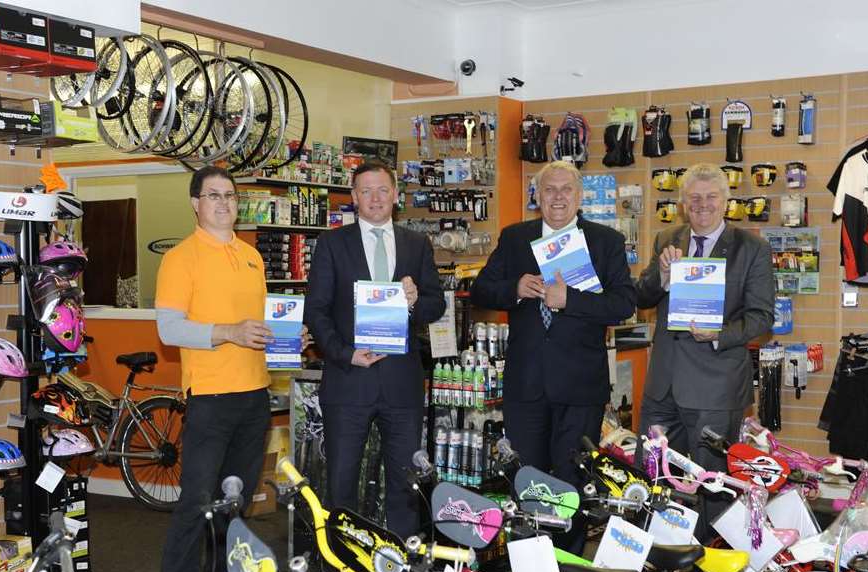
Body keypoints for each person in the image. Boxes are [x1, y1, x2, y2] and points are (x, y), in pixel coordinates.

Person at [138, 166, 306, 572]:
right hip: (209, 400)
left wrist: (289, 340)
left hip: (254, 398)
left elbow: (256, 328)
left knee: (235, 508)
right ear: (195, 203)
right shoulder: (180, 258)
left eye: (229, 195)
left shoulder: (252, 256)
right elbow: (170, 330)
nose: (223, 203)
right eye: (213, 195)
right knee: (195, 505)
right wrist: (228, 332)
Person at [470, 160, 636, 551]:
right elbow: (481, 291)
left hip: (580, 388)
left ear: (579, 197)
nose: (558, 197)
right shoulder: (515, 238)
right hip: (526, 385)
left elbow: (623, 304)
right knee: (525, 479)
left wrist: (572, 300)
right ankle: (529, 568)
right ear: (537, 196)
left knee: (571, 482)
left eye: (566, 190)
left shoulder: (605, 241)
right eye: (549, 190)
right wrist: (514, 288)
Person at [305, 159, 445, 537]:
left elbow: (437, 305)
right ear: (353, 197)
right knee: (341, 482)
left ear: (396, 195)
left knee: (405, 482)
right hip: (349, 381)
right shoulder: (332, 245)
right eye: (365, 190)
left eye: (383, 189)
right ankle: (341, 566)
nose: (375, 198)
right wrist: (345, 353)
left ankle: (401, 562)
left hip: (401, 384)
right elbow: (316, 312)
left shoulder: (416, 244)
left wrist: (416, 301)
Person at [635, 162, 774, 538]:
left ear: (725, 202)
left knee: (713, 487)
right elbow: (642, 296)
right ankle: (661, 564)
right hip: (662, 387)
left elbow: (762, 318)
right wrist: (661, 278)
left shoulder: (752, 248)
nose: (702, 205)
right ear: (682, 203)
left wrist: (718, 334)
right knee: (654, 479)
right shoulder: (667, 239)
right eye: (694, 197)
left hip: (715, 389)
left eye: (711, 197)